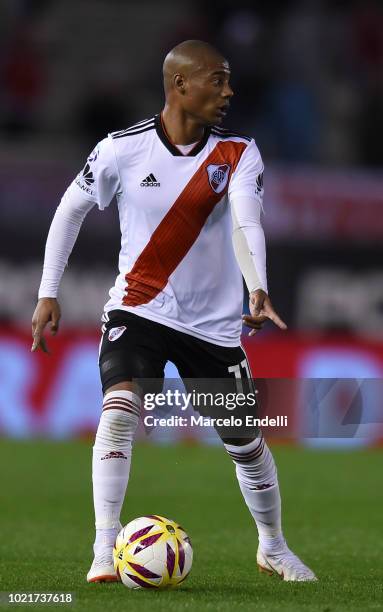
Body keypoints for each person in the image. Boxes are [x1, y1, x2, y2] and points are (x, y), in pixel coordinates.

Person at [31, 40, 316, 583]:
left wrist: (257, 283)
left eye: (229, 80)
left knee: (247, 443)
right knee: (119, 410)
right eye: (218, 79)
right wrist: (48, 292)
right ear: (181, 85)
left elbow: (246, 222)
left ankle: (273, 546)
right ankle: (103, 548)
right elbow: (70, 210)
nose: (229, 91)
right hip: (139, 308)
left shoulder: (238, 152)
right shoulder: (120, 149)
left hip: (212, 328)